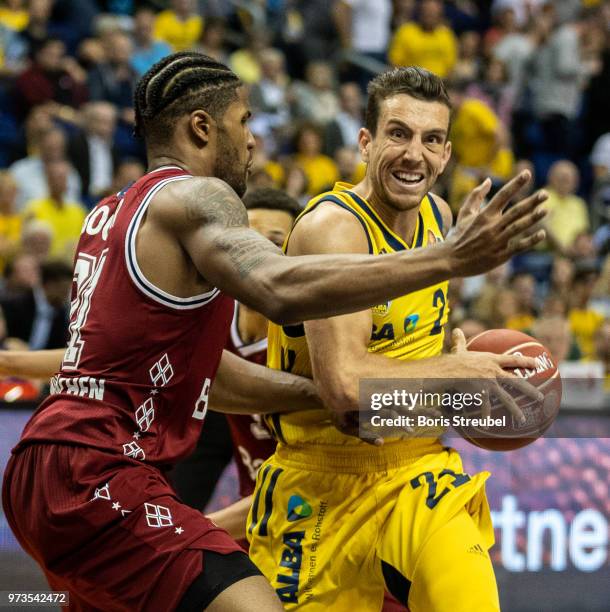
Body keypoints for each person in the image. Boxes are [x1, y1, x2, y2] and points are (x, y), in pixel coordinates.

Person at [3, 53, 546, 612]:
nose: (254, 141)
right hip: (107, 470)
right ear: (202, 128)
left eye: (432, 139)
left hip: (48, 463)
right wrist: (448, 263)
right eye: (245, 123)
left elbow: (204, 374)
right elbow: (280, 289)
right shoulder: (201, 197)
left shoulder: (113, 212)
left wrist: (325, 397)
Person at [247, 66, 547, 611]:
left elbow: (411, 348)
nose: (415, 154)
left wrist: (453, 367)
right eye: (398, 134)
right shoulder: (332, 229)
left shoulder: (441, 216)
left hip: (419, 470)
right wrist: (455, 382)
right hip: (321, 482)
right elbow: (346, 398)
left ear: (447, 153)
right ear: (365, 142)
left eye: (431, 139)